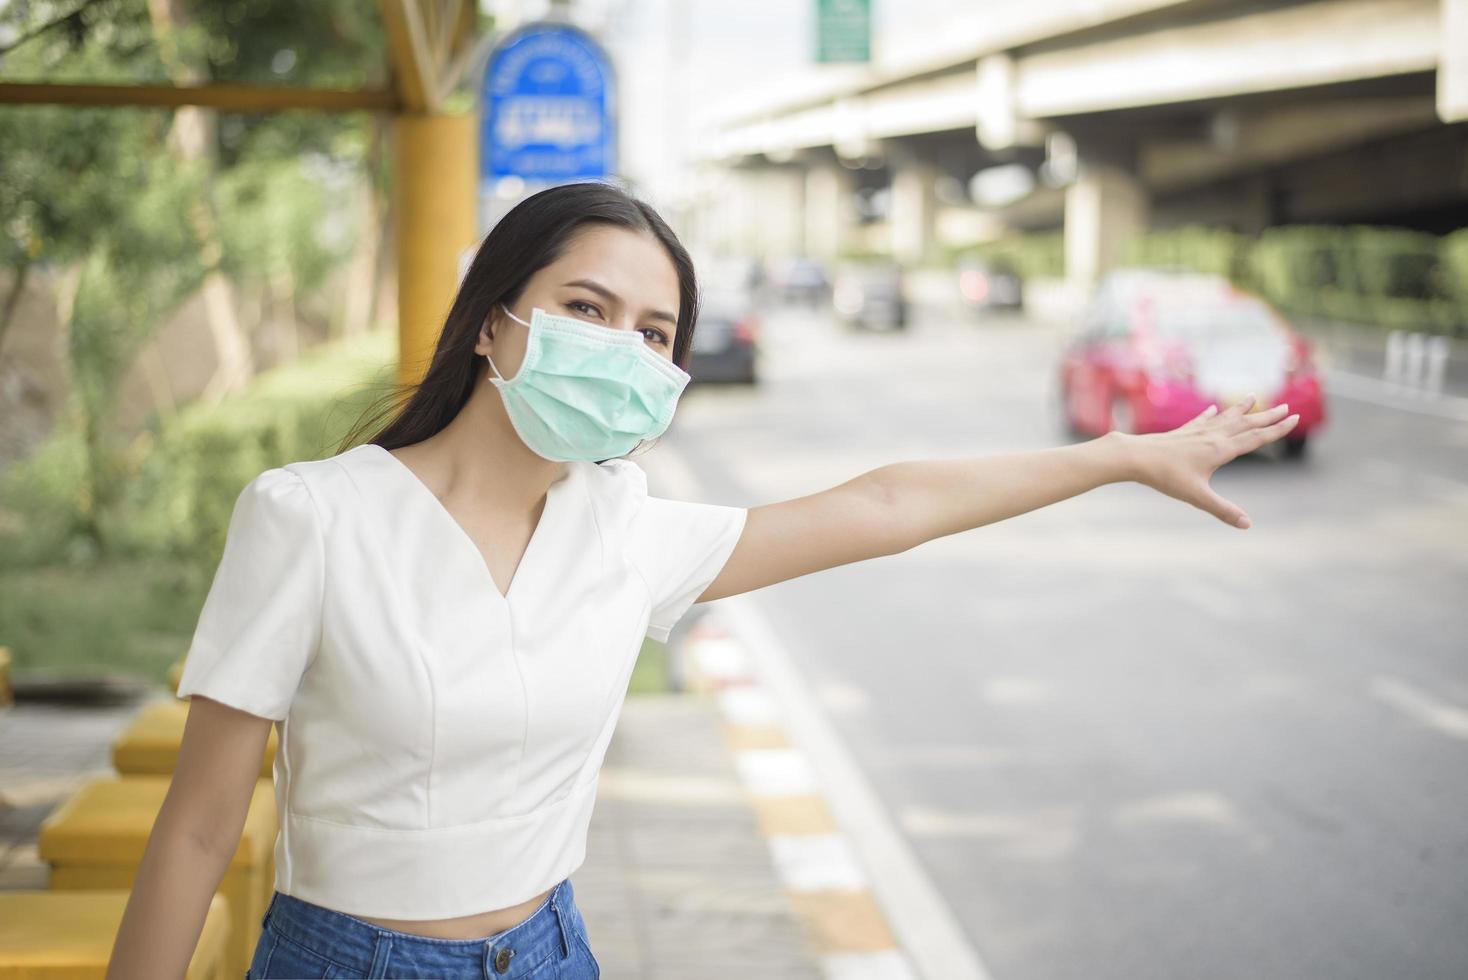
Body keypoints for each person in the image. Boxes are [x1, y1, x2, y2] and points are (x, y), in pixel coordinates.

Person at [104, 181, 1299, 980]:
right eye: (587, 307)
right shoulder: (312, 514)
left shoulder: (624, 529)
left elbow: (885, 504)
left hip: (554, 949)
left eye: (656, 332)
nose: (625, 349)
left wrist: (1120, 456)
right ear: (491, 322)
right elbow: (203, 823)